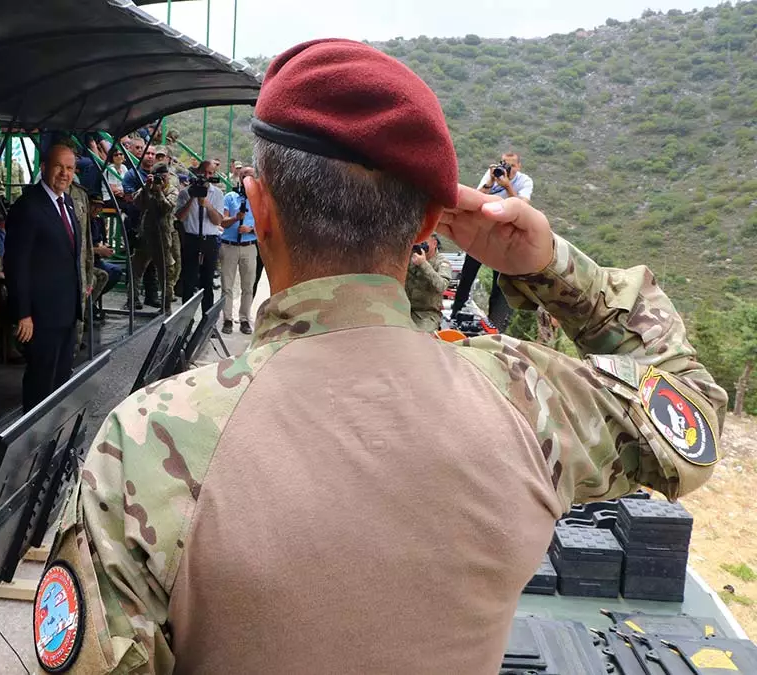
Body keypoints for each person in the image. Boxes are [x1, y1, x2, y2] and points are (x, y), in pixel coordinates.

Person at [35, 39, 727, 675]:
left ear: (260, 207)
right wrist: (551, 267)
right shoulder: (525, 397)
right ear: (428, 223)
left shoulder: (147, 440)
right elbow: (691, 405)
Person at [4, 143, 82, 410]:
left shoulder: (68, 202)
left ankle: (53, 439)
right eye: (59, 166)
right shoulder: (28, 207)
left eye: (70, 168)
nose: (64, 173)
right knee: (40, 383)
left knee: (60, 380)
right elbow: (16, 264)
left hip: (66, 312)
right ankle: (32, 442)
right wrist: (23, 313)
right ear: (44, 167)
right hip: (40, 315)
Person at [451, 151, 536, 328]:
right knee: (467, 274)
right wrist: (490, 181)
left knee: (499, 283)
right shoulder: (493, 173)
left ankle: (495, 324)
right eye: (504, 163)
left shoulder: (524, 181)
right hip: (483, 232)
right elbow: (476, 196)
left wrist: (507, 186)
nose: (506, 167)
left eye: (511, 165)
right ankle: (455, 312)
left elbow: (523, 207)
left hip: (504, 237)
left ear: (518, 166)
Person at [127, 164, 180, 313]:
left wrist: (159, 192)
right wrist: (147, 187)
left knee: (166, 273)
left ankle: (166, 306)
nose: (161, 180)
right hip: (145, 234)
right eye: (158, 176)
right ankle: (132, 300)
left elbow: (166, 208)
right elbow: (136, 202)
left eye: (163, 176)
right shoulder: (147, 187)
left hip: (163, 237)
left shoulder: (172, 190)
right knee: (136, 269)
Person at [175, 159, 225, 314]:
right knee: (189, 282)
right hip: (191, 238)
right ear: (198, 173)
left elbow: (217, 220)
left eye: (210, 173)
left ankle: (206, 320)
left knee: (207, 282)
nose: (206, 176)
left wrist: (206, 203)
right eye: (204, 172)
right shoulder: (185, 192)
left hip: (209, 240)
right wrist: (193, 198)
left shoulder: (217, 193)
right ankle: (186, 321)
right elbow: (180, 217)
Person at [219, 166, 259, 334]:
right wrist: (236, 218)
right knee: (227, 285)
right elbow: (222, 221)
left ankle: (244, 319)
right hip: (229, 245)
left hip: (249, 246)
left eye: (249, 175)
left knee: (248, 286)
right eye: (243, 175)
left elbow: (265, 228)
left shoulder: (259, 200)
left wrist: (250, 229)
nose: (245, 178)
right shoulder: (230, 197)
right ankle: (227, 319)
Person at [405, 233, 452, 331]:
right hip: (404, 309)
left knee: (422, 337)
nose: (420, 246)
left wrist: (423, 264)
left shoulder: (442, 263)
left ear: (434, 243)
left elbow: (441, 286)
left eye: (424, 242)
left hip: (427, 313)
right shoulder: (410, 256)